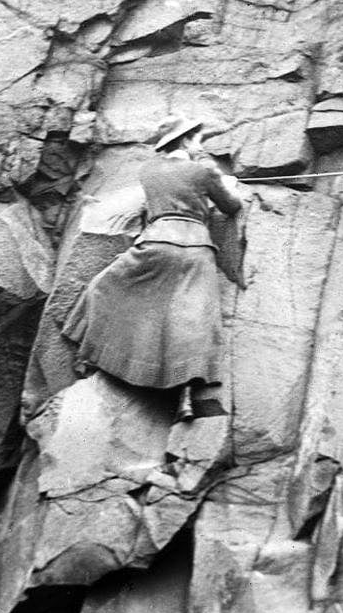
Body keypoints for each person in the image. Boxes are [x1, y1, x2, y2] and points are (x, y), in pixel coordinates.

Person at [65, 115, 243, 420]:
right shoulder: (204, 169)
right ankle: (185, 398)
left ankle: (91, 356)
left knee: (104, 287)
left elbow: (168, 189)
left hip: (157, 244)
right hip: (197, 250)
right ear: (186, 140)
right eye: (195, 137)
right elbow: (231, 206)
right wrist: (225, 182)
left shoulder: (149, 171)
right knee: (191, 320)